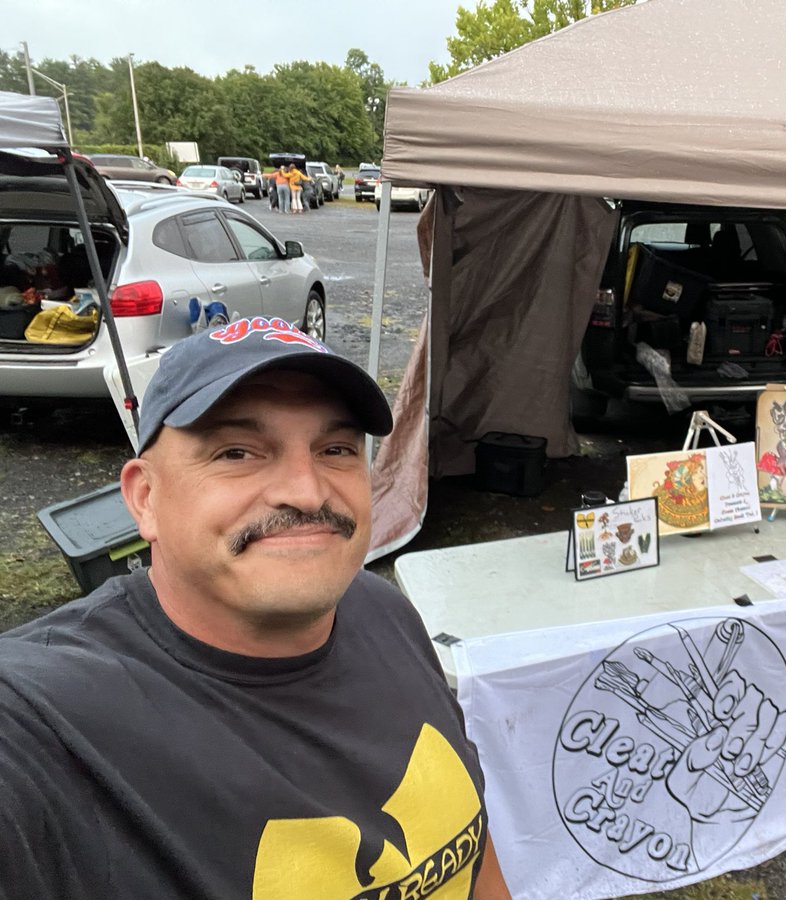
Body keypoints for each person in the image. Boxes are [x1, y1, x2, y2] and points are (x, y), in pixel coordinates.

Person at [0, 318, 510, 898]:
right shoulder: (48, 721)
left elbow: (470, 846)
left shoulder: (382, 609)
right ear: (146, 498)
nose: (307, 490)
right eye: (237, 451)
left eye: (336, 449)